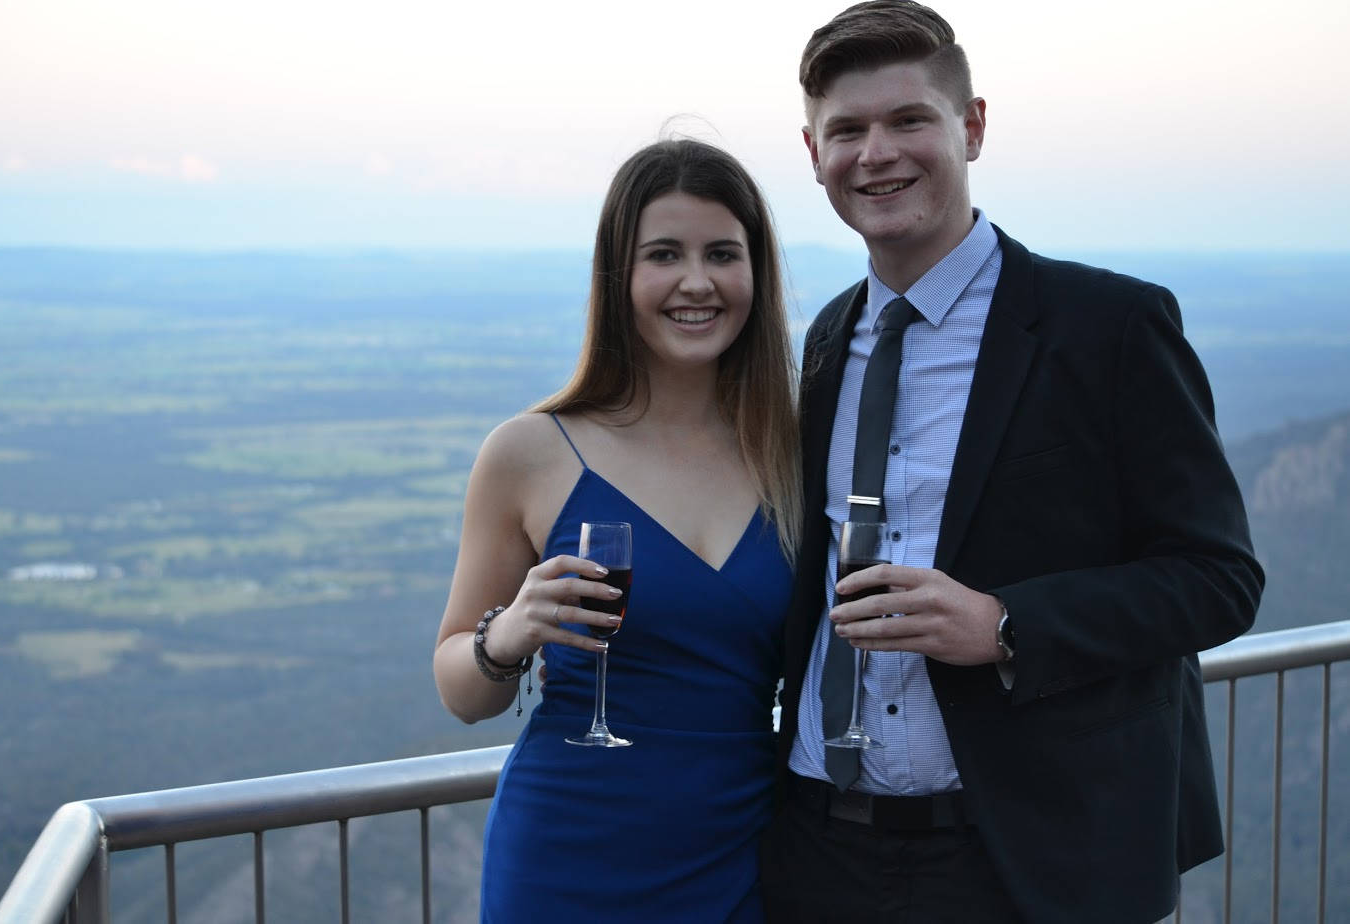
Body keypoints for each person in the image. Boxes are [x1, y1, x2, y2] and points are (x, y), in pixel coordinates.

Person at [760, 3, 1265, 923]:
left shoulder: (1109, 327)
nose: (876, 152)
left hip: (1028, 859)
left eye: (908, 119)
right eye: (847, 130)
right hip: (820, 849)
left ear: (972, 127)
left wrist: (1004, 625)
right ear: (812, 152)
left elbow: (1218, 580)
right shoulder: (829, 340)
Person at [433, 138, 801, 922]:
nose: (695, 282)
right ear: (618, 277)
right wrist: (508, 637)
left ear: (755, 275)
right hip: (568, 856)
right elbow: (459, 692)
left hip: (742, 853)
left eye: (722, 254)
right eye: (663, 254)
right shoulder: (529, 453)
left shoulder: (795, 453)